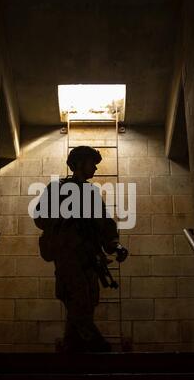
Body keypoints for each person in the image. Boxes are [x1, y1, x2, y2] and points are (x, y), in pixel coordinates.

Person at [33, 145, 128, 352]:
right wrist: (64, 218)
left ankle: (71, 343)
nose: (95, 168)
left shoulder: (92, 194)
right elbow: (39, 216)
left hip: (89, 256)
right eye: (91, 163)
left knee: (90, 298)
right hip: (68, 253)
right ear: (78, 164)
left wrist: (115, 245)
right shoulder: (57, 188)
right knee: (79, 296)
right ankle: (95, 342)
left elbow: (104, 224)